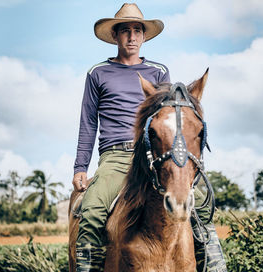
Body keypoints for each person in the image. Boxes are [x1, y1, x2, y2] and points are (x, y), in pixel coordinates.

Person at [72, 3, 227, 272]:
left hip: (154, 153)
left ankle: (214, 263)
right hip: (116, 157)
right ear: (115, 36)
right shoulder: (97, 73)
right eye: (125, 31)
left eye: (137, 31)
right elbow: (88, 122)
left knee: (200, 204)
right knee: (93, 210)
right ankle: (88, 266)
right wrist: (80, 168)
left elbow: (169, 117)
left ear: (143, 36)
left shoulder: (158, 71)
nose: (132, 37)